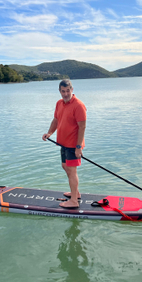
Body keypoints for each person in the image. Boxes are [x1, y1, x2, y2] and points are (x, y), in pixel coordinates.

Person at [42, 79, 87, 208]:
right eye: (63, 91)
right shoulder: (59, 103)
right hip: (63, 143)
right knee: (65, 166)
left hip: (73, 144)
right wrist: (50, 133)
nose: (66, 94)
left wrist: (78, 147)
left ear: (72, 90)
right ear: (59, 91)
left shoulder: (78, 105)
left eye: (68, 91)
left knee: (72, 171)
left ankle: (73, 201)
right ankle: (75, 193)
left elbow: (82, 127)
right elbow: (56, 120)